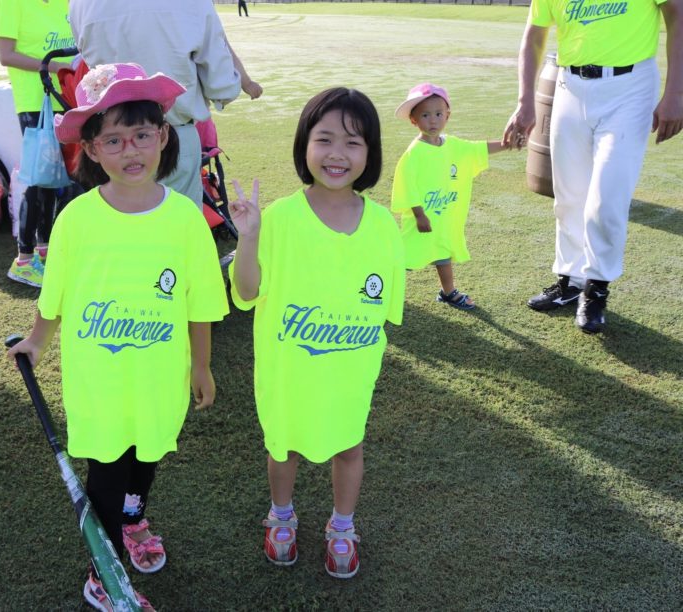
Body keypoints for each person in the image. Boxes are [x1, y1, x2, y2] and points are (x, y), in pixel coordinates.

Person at [7, 63, 229, 610]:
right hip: (99, 378)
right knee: (106, 470)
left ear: (164, 139)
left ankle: (133, 520)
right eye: (113, 139)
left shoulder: (184, 218)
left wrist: (201, 366)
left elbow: (200, 303)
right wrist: (37, 341)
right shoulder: (78, 219)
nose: (131, 150)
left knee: (146, 455)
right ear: (91, 150)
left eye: (142, 135)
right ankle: (101, 572)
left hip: (160, 376)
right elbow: (54, 292)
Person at [229, 88, 405, 579]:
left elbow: (383, 308)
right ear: (303, 145)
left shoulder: (383, 227)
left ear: (370, 153)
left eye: (353, 143)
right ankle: (280, 514)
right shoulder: (279, 219)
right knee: (282, 445)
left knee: (349, 444)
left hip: (349, 374)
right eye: (323, 139)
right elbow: (245, 293)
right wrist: (249, 239)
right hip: (289, 374)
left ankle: (342, 526)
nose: (336, 154)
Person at [504, 0, 683, 333]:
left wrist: (676, 91)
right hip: (569, 85)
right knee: (569, 194)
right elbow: (534, 36)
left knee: (607, 195)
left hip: (630, 86)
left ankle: (596, 288)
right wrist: (524, 101)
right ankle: (571, 281)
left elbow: (677, 13)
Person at [68, 0, 242, 208]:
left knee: (119, 223)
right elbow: (222, 85)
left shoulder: (81, 3)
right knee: (179, 226)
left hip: (109, 140)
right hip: (173, 130)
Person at [391, 82, 512, 310]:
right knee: (404, 258)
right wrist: (419, 215)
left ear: (448, 115)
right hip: (422, 221)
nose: (433, 120)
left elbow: (479, 149)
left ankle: (448, 292)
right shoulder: (414, 153)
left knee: (443, 254)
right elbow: (406, 185)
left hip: (445, 219)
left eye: (438, 114)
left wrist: (507, 145)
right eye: (425, 115)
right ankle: (382, 288)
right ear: (413, 120)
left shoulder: (453, 145)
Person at [0, 0, 76, 287]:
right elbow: (6, 55)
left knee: (59, 181)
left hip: (68, 98)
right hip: (34, 102)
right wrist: (53, 66)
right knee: (39, 178)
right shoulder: (11, 4)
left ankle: (46, 252)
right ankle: (24, 260)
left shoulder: (68, 4)